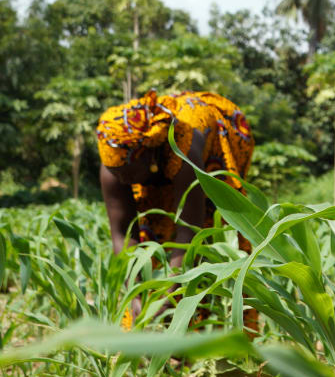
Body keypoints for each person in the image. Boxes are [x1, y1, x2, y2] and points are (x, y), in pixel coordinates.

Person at [95, 90, 256, 327]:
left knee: (212, 238)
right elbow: (122, 235)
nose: (120, 178)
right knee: (155, 233)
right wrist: (136, 295)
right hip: (157, 164)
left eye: (125, 172)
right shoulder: (115, 161)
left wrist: (168, 296)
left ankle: (217, 333)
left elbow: (189, 234)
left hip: (217, 138)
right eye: (113, 170)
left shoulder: (184, 151)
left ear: (146, 155)